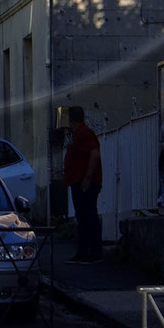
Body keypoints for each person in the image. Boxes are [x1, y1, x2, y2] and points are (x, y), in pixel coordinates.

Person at [62, 108, 103, 261]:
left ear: (72, 120)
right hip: (78, 180)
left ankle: (94, 252)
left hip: (85, 182)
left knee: (88, 216)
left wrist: (88, 177)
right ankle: (84, 251)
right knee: (83, 216)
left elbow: (94, 153)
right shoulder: (78, 134)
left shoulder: (84, 133)